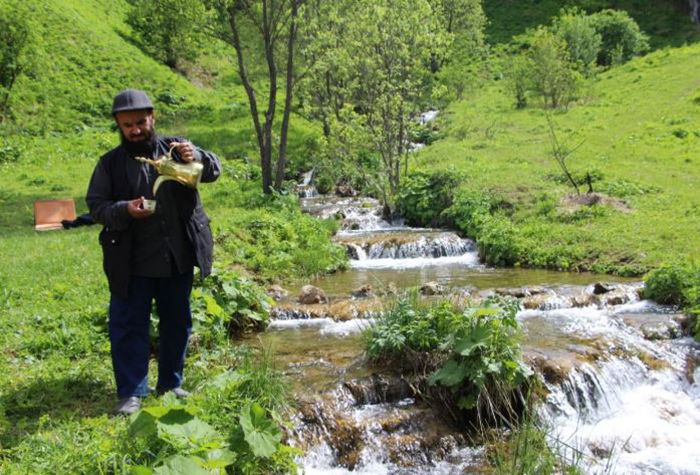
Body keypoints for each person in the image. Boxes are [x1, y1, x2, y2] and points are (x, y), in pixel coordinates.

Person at [87, 89, 221, 415]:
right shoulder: (110, 165)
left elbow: (213, 170)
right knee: (129, 325)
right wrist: (125, 209)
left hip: (176, 255)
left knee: (177, 322)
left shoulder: (177, 149)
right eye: (127, 124)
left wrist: (198, 154)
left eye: (140, 122)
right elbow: (97, 207)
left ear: (153, 118)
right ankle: (132, 393)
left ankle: (171, 384)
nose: (135, 129)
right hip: (131, 261)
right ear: (119, 126)